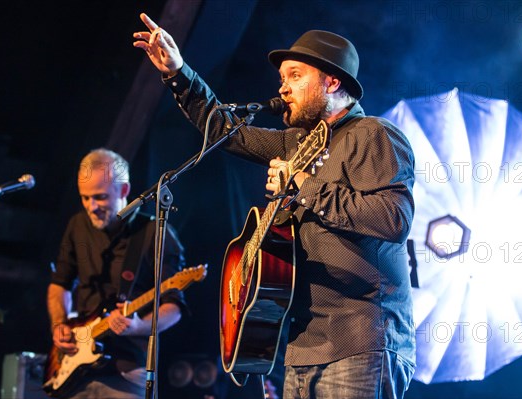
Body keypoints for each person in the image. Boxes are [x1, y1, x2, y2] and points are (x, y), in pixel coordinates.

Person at [134, 13, 416, 399]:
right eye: (282, 78)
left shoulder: (373, 135)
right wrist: (179, 73)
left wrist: (302, 186)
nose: (283, 88)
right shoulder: (297, 142)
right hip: (300, 348)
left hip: (359, 340)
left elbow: (393, 220)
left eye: (295, 75)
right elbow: (225, 133)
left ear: (332, 81)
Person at [47, 148, 186, 398]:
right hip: (75, 366)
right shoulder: (77, 225)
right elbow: (59, 284)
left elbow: (173, 308)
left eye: (99, 197)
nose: (91, 207)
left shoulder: (154, 233)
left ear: (123, 191)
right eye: (85, 198)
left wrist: (137, 326)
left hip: (128, 367)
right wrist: (60, 324)